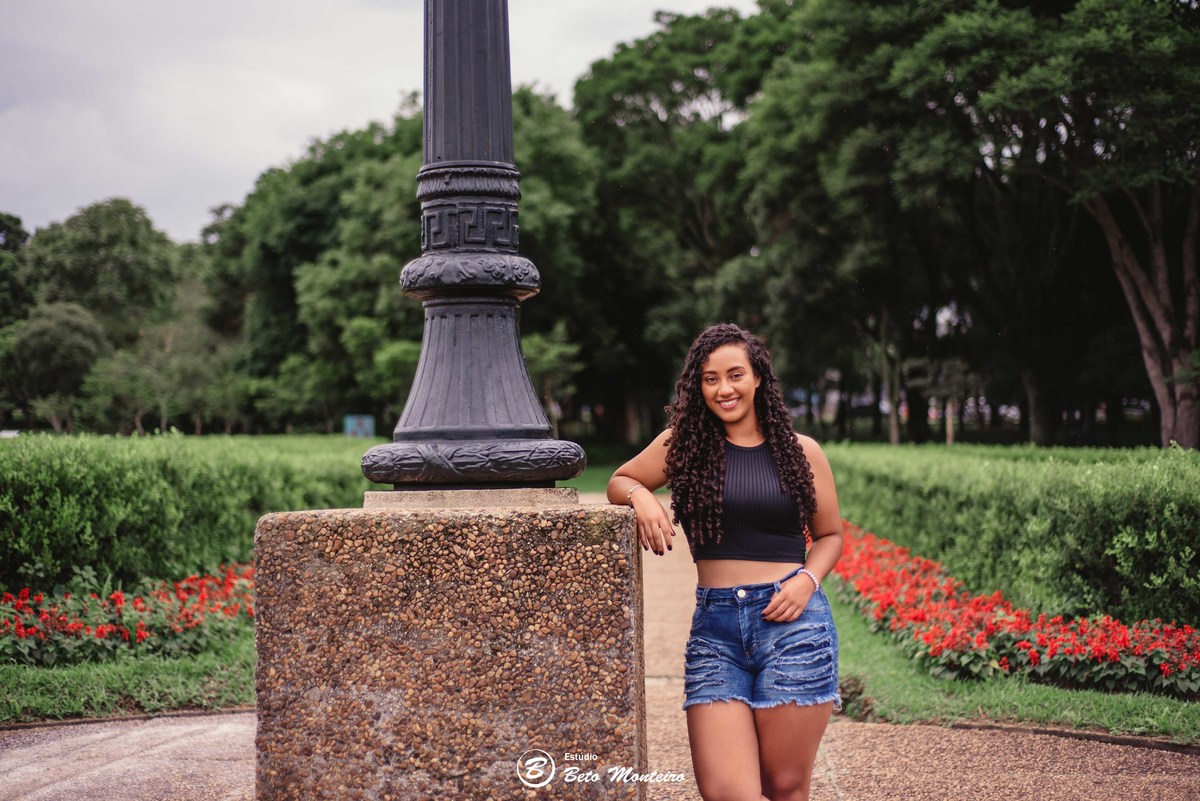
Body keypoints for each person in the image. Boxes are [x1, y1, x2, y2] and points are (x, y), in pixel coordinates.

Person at [608, 323, 843, 801]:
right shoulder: (684, 445)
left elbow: (830, 535)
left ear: (758, 378)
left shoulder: (801, 452)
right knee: (726, 793)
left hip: (793, 626)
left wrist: (807, 581)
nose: (723, 389)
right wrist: (641, 497)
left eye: (735, 375)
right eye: (710, 379)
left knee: (785, 786)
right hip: (716, 632)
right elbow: (620, 479)